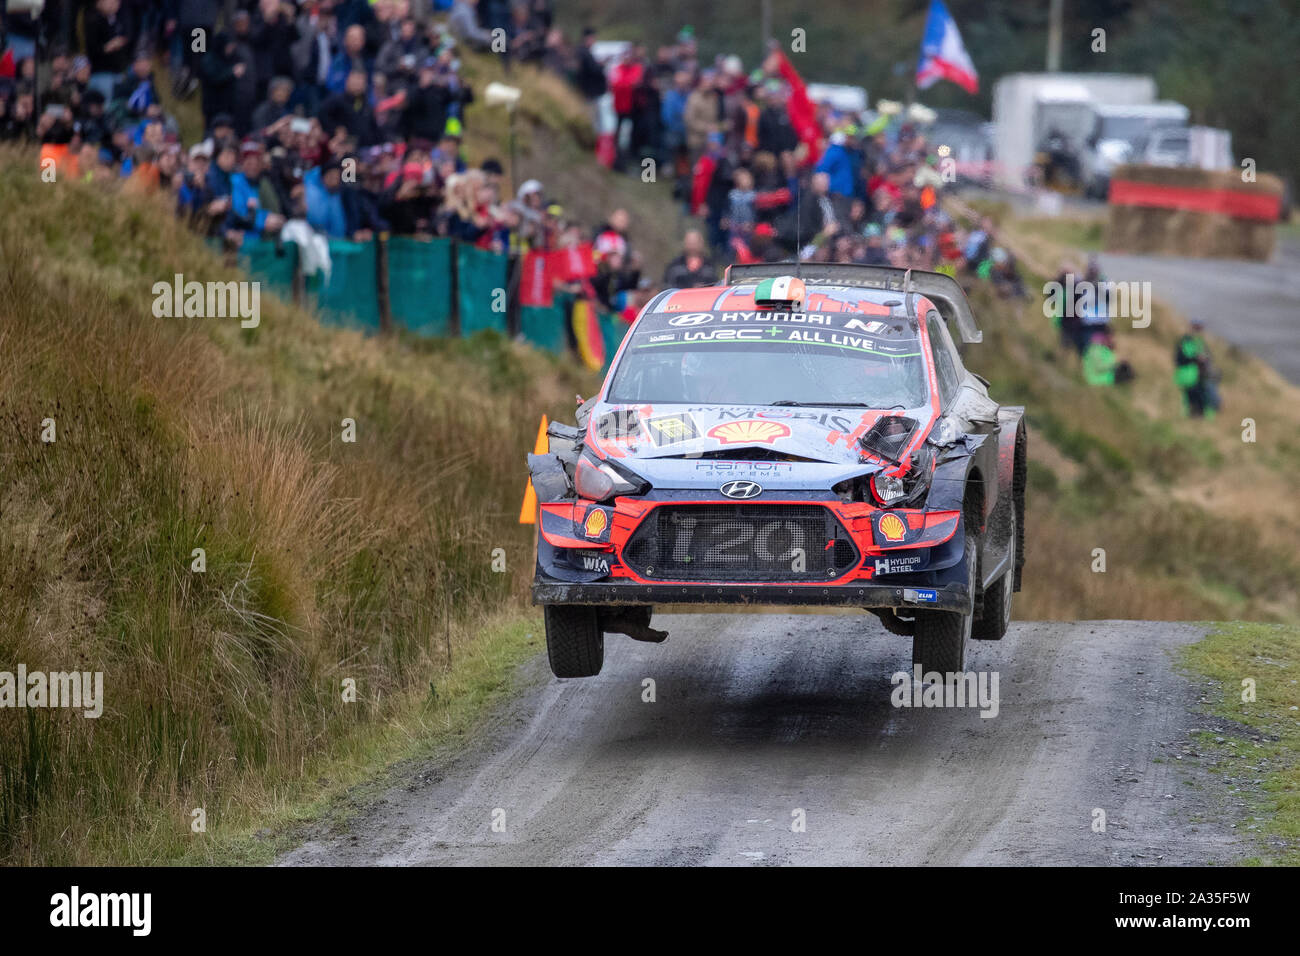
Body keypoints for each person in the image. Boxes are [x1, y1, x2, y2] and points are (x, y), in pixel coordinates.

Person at [1174, 321, 1219, 417]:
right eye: (1196, 328)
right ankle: (1190, 419)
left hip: (1198, 377)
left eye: (1200, 329)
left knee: (1201, 400)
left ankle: (1199, 419)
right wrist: (1196, 358)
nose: (1198, 331)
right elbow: (1180, 359)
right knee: (1190, 401)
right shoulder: (1186, 342)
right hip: (1189, 377)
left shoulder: (1199, 342)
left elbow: (1208, 358)